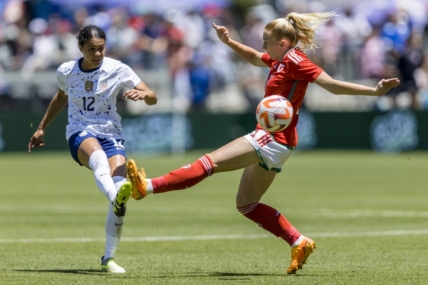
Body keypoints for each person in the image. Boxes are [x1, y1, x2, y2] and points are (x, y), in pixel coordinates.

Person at [126, 11, 400, 275]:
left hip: (270, 137)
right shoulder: (279, 59)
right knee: (246, 204)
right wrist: (230, 42)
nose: (264, 47)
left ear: (282, 43)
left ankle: (146, 188)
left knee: (210, 162)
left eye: (267, 42)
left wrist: (374, 92)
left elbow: (331, 84)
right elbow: (257, 58)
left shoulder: (296, 61)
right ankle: (299, 242)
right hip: (282, 144)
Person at [28, 25, 158, 273]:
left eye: (101, 48)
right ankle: (114, 198)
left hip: (111, 134)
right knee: (99, 160)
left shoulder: (117, 69)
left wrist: (145, 96)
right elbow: (61, 96)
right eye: (91, 49)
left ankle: (108, 258)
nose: (97, 54)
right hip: (79, 131)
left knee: (121, 188)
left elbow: (152, 95)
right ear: (80, 48)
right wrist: (42, 127)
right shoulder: (66, 71)